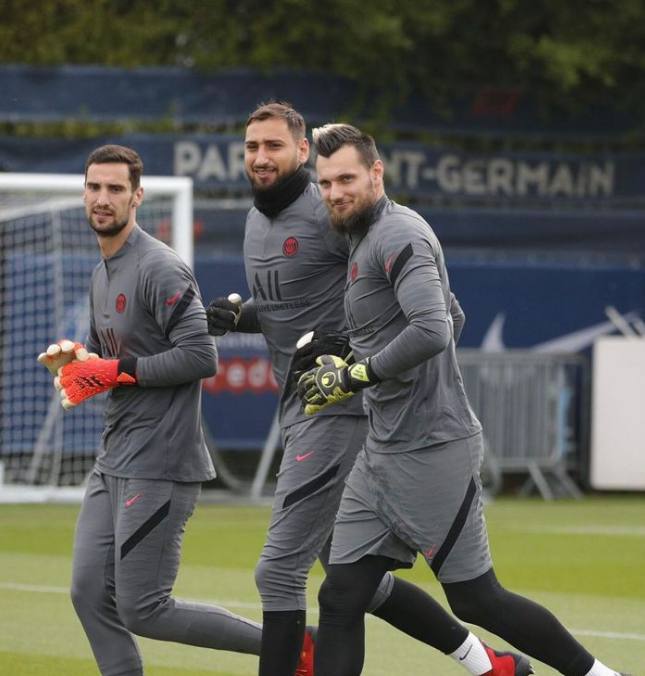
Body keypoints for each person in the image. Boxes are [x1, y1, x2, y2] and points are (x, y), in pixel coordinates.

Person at [206, 102, 533, 676]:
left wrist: (354, 362)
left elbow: (441, 318)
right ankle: (490, 665)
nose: (261, 157)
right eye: (252, 146)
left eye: (274, 146)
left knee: (279, 572)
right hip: (305, 405)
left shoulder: (332, 209)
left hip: (340, 413)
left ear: (303, 151)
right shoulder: (258, 218)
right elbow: (295, 308)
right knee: (354, 581)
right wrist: (245, 317)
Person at [297, 123, 631, 676]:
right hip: (383, 451)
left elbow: (433, 330)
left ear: (377, 174)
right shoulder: (362, 235)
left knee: (476, 599)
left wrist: (358, 372)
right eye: (326, 182)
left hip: (433, 448)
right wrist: (355, 349)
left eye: (347, 179)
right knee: (341, 595)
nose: (334, 192)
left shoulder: (398, 233)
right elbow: (452, 314)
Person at [37, 144, 298, 676]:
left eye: (115, 189)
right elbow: (107, 362)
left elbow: (201, 356)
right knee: (87, 592)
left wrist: (115, 371)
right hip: (114, 458)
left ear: (137, 197)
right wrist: (79, 364)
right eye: (94, 187)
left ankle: (299, 648)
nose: (102, 198)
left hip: (159, 461)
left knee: (144, 607)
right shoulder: (100, 273)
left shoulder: (160, 267)